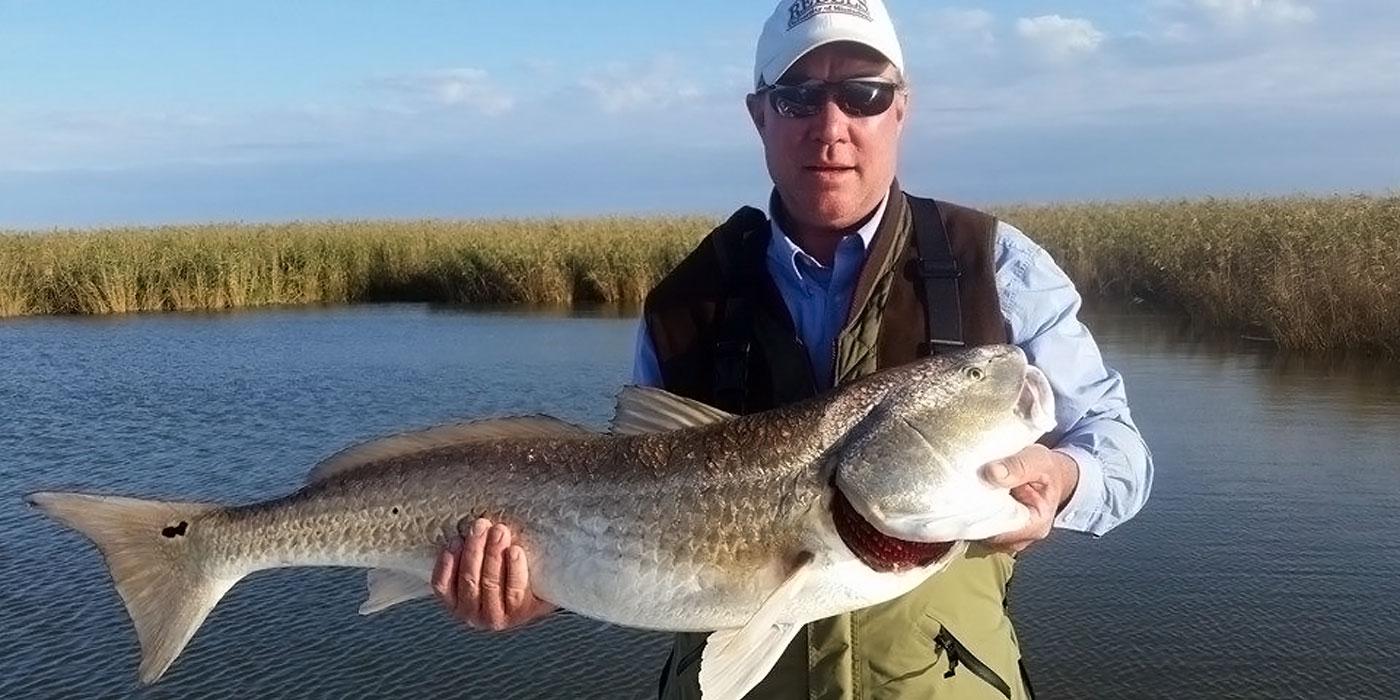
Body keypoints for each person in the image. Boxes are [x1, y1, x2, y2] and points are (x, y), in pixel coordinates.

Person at [431, 0, 1153, 698]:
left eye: (864, 94)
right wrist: (534, 590)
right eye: (799, 97)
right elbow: (623, 526)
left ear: (901, 107)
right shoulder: (688, 301)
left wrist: (1061, 481)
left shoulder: (996, 265)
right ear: (760, 115)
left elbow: (1121, 453)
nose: (831, 127)